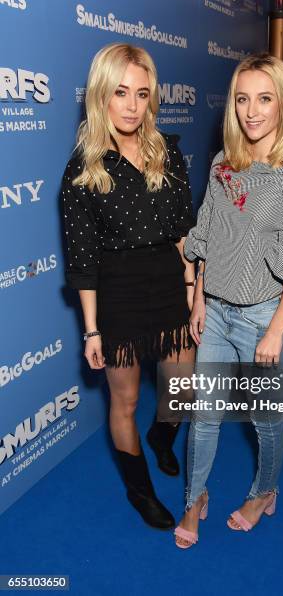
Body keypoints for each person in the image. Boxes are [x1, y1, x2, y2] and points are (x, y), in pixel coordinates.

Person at [174, 53, 283, 548]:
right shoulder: (224, 162)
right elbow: (210, 235)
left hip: (264, 316)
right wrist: (200, 298)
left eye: (264, 99)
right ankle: (194, 498)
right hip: (217, 312)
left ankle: (265, 490)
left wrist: (275, 329)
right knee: (203, 415)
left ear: (282, 104)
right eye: (242, 99)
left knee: (264, 420)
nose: (251, 111)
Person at [61, 43, 195, 531]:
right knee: (127, 402)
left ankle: (162, 438)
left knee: (183, 390)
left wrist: (191, 288)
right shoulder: (83, 171)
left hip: (169, 284)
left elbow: (185, 228)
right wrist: (92, 331)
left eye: (142, 93)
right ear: (101, 96)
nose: (132, 105)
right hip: (117, 295)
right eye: (121, 93)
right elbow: (83, 261)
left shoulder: (168, 152)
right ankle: (140, 492)